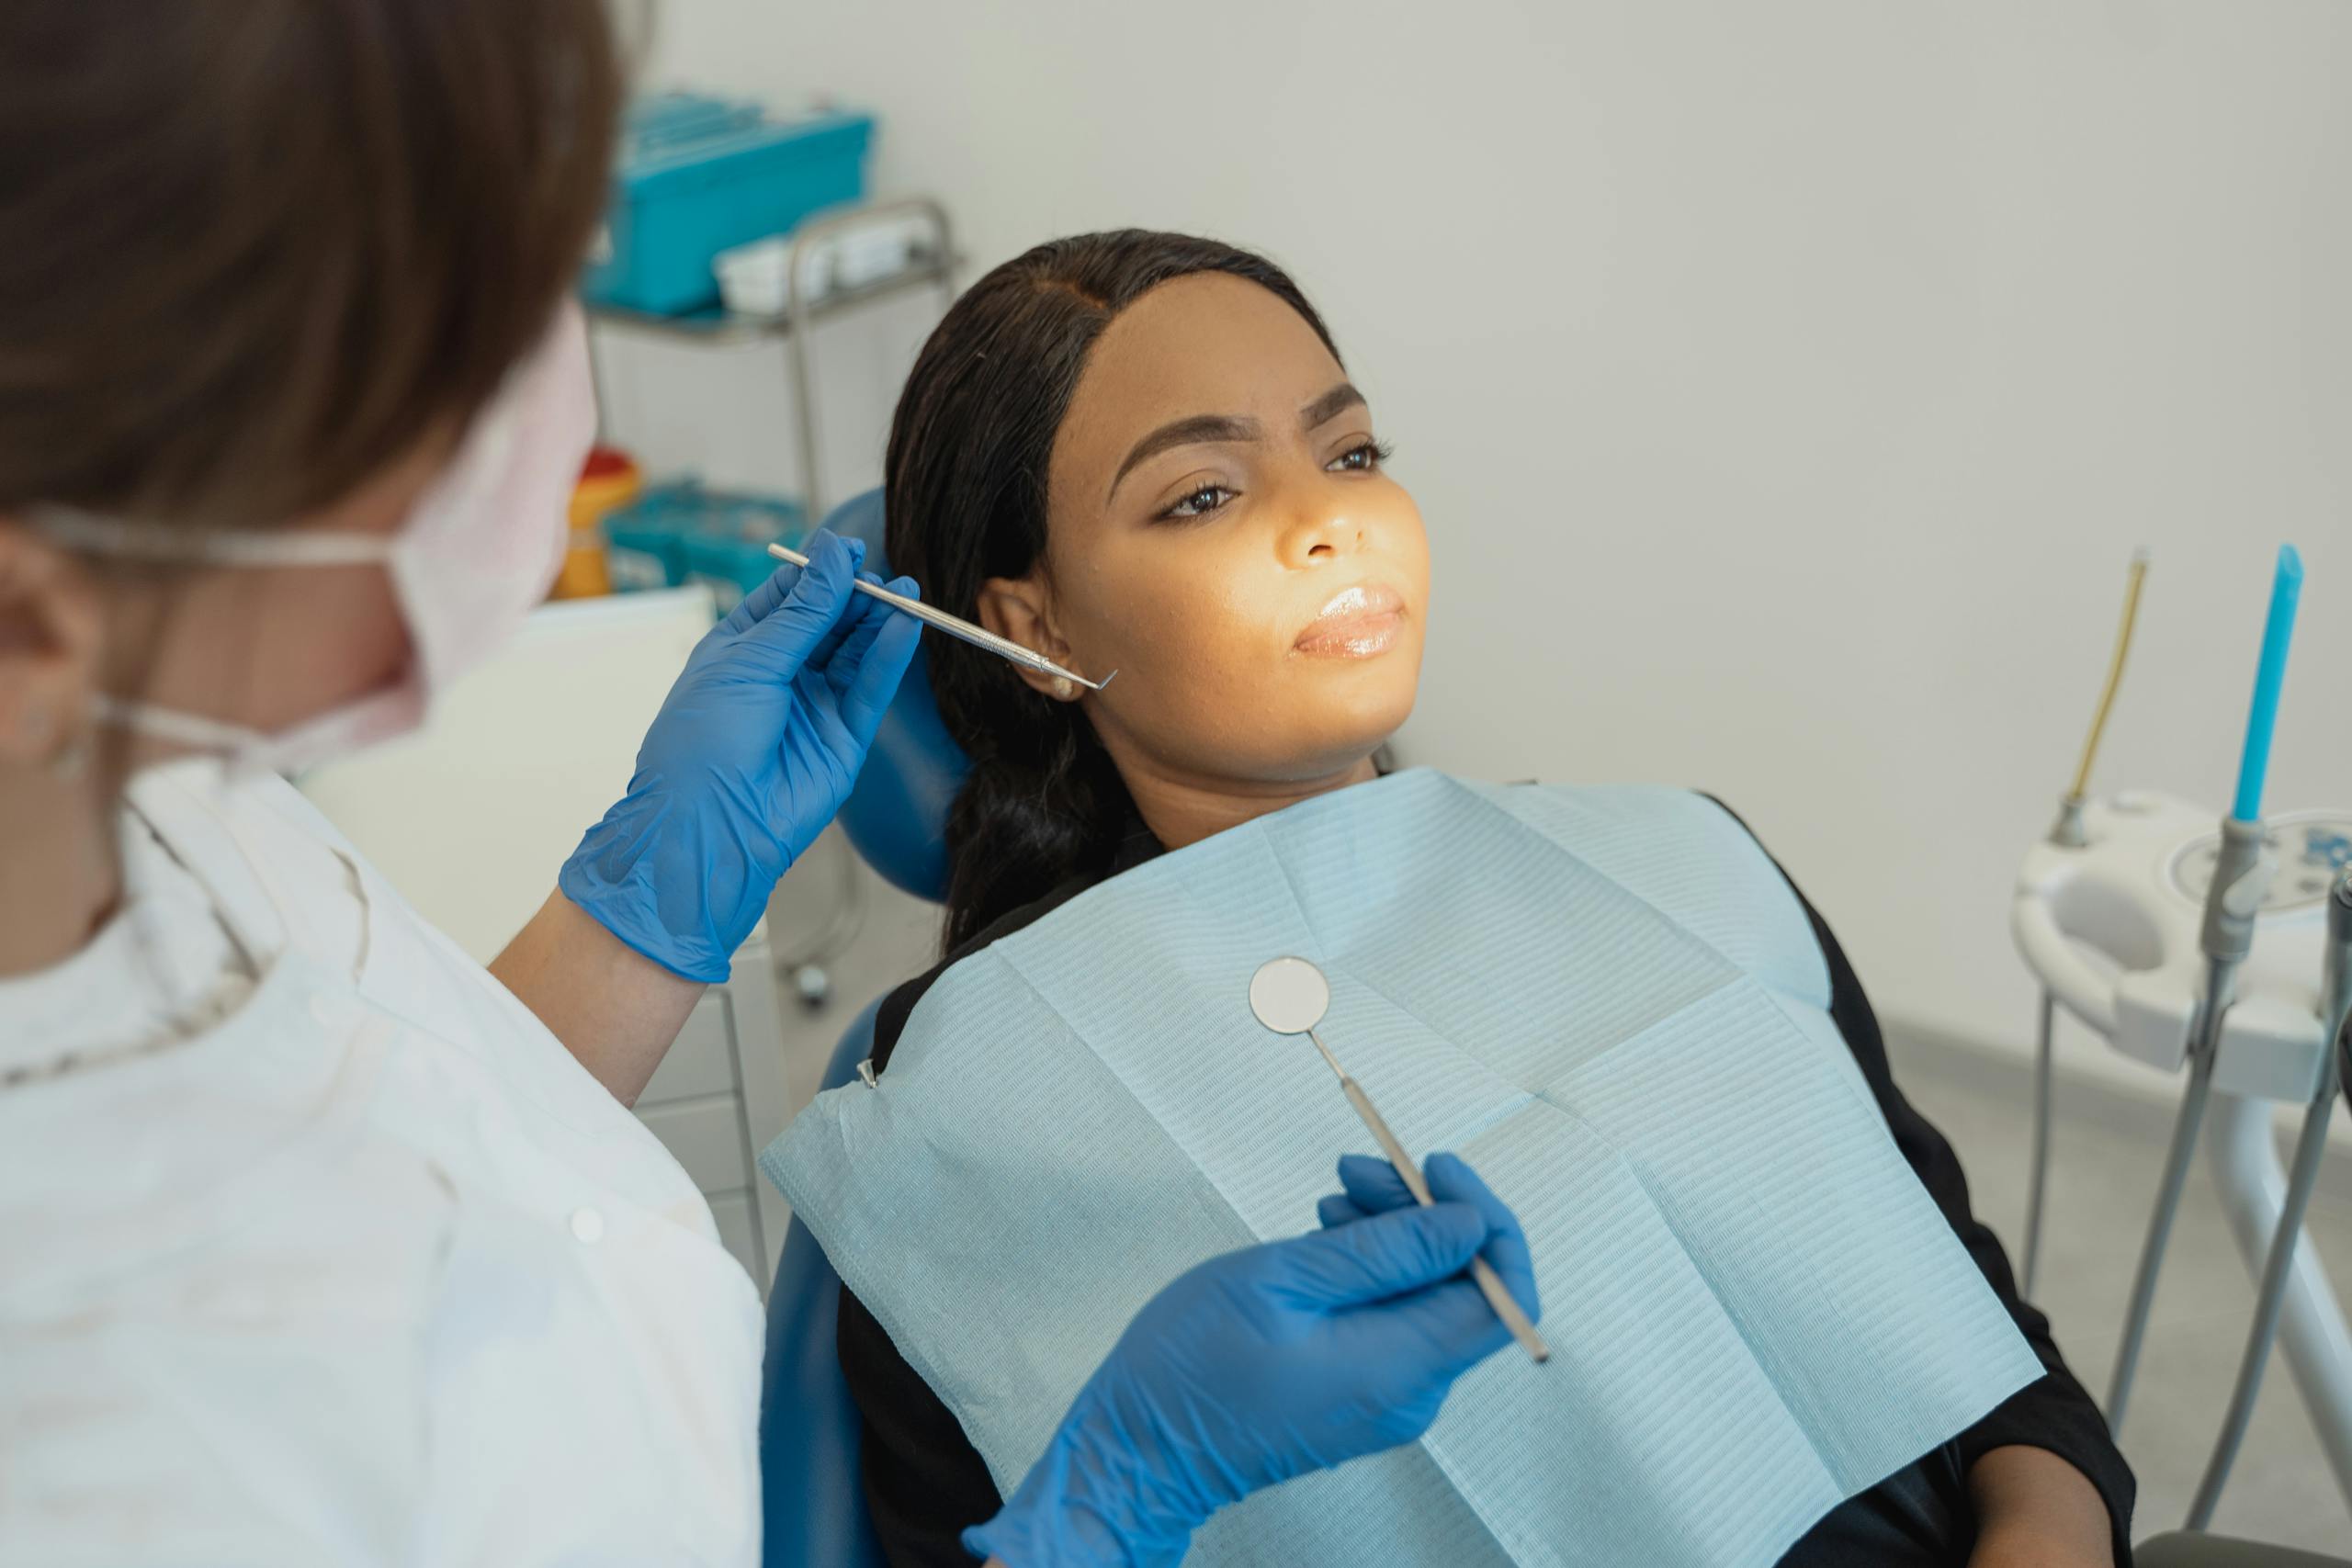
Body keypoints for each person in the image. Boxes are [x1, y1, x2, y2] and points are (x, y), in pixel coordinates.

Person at [0, 8, 1538, 1564]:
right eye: (424, 383)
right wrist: (1102, 1509)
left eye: (1352, 454)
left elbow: (382, 1161)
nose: (547, 426)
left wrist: (635, 919)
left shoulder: (166, 807)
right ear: (1032, 628)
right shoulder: (101, 1435)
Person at [834, 229, 2138, 1567]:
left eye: (1348, 455)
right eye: (1204, 495)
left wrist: (2043, 1541)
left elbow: (1991, 1356)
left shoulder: (1681, 869)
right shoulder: (966, 1109)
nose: (1327, 520)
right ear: (1040, 632)